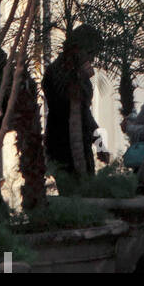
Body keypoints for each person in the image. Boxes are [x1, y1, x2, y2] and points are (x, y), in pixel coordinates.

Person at [42, 25, 104, 182]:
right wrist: (78, 78)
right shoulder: (56, 72)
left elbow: (85, 113)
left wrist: (100, 143)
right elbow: (66, 108)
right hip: (63, 146)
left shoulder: (77, 73)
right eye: (90, 53)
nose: (92, 58)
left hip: (81, 147)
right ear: (78, 49)